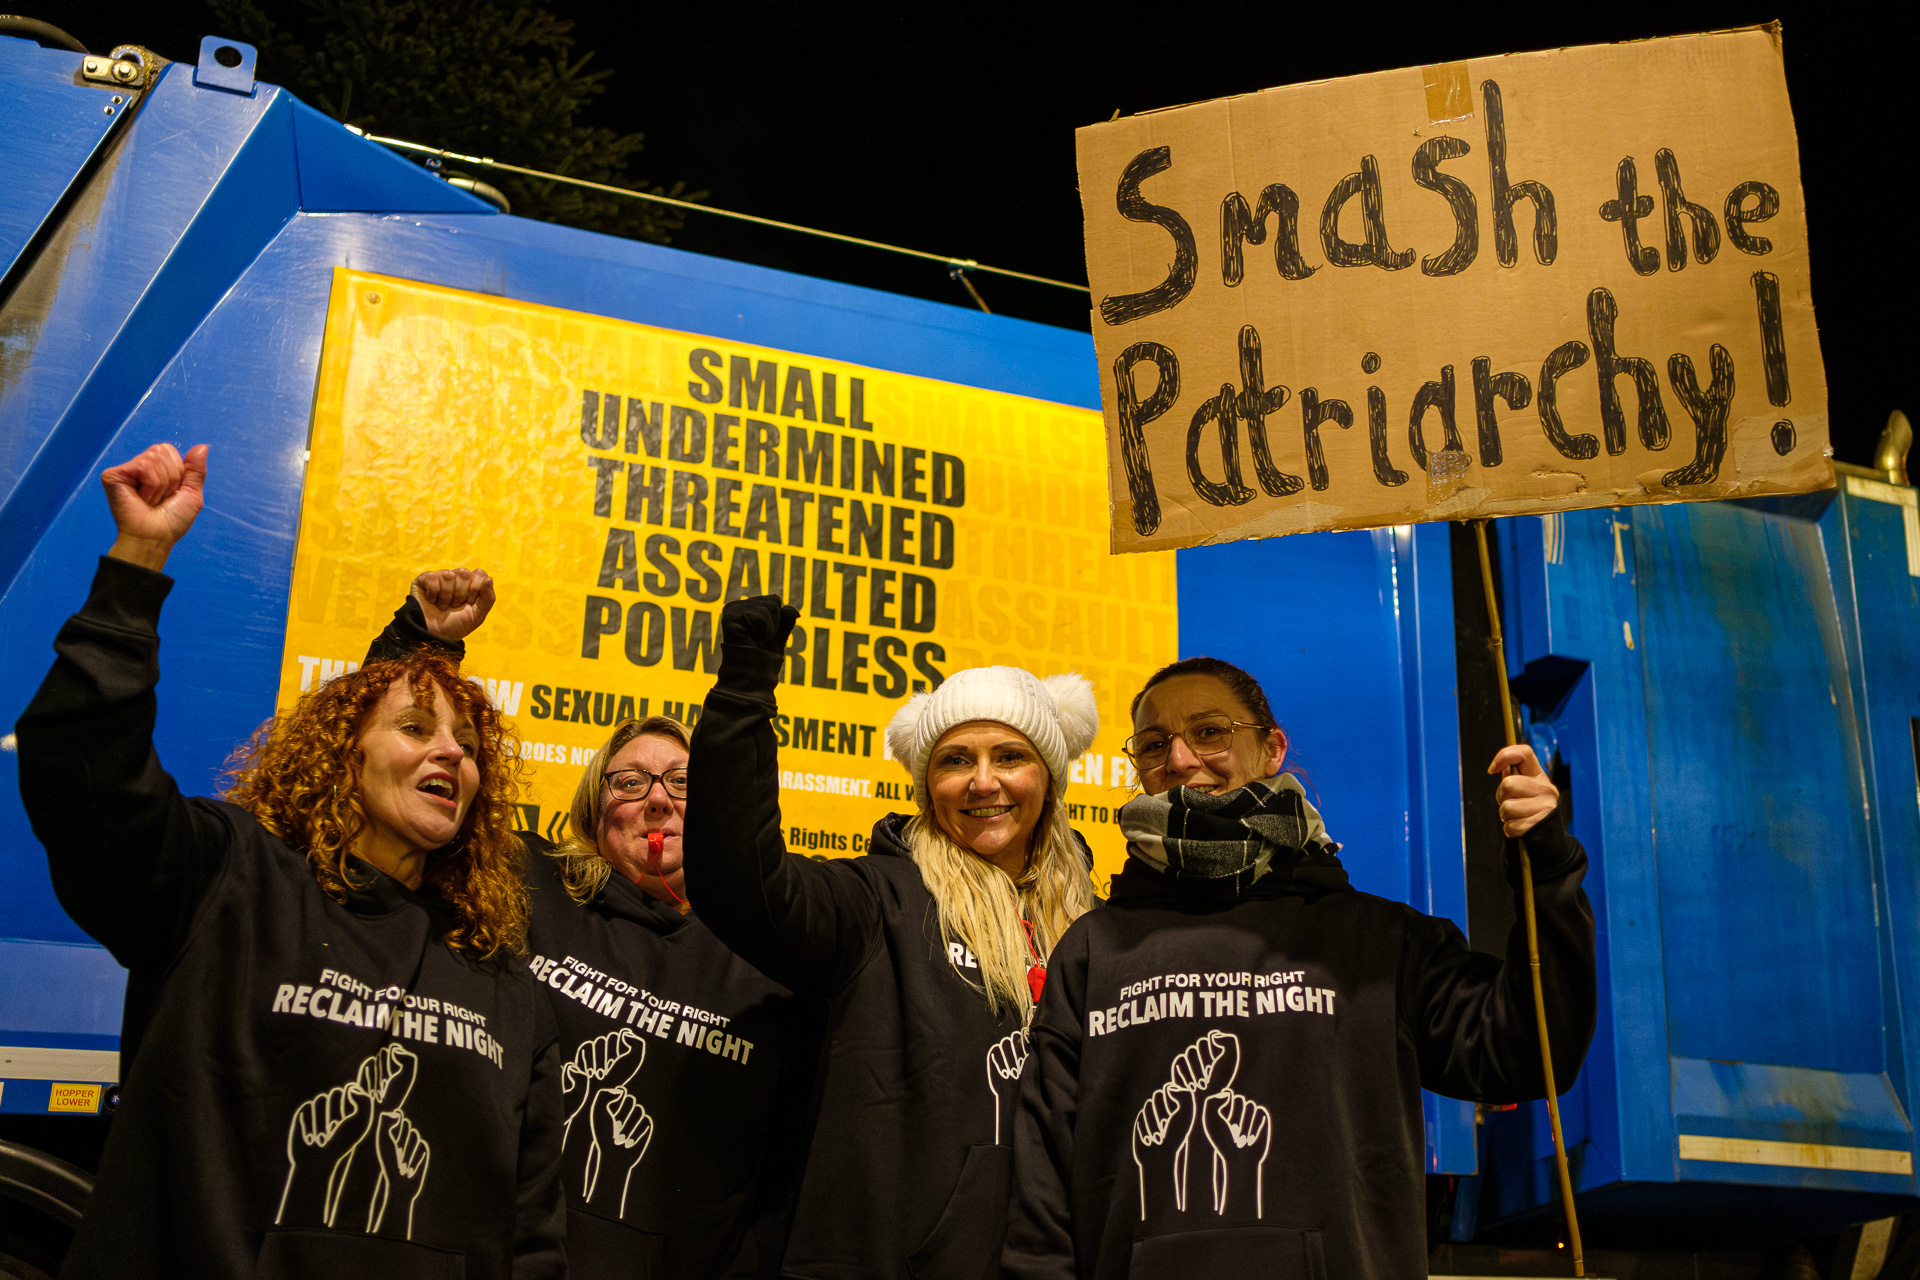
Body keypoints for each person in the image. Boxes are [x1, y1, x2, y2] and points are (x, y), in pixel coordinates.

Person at [14, 444, 565, 1278]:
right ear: (342, 756)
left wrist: (420, 661)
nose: (452, 753)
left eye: (466, 742)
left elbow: (530, 1233)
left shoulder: (496, 969)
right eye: (417, 730)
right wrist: (137, 564)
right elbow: (83, 768)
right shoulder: (227, 884)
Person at [1003, 656, 1598, 1280]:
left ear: (1272, 748)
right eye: (1155, 744)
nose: (1179, 759)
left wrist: (1548, 867)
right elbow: (1042, 1189)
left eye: (1209, 732)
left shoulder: (1377, 941)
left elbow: (1532, 1055)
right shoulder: (1095, 949)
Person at [364, 573, 816, 1280]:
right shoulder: (525, 883)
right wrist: (422, 643)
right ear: (595, 808)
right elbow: (378, 776)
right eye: (628, 782)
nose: (657, 801)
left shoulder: (771, 963)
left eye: (683, 782)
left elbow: (786, 1180)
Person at [681, 596, 1100, 1279]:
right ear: (926, 785)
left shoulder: (1093, 933)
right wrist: (743, 694)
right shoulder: (876, 903)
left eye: (1010, 756)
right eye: (956, 759)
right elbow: (742, 885)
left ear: (1048, 779)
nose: (984, 781)